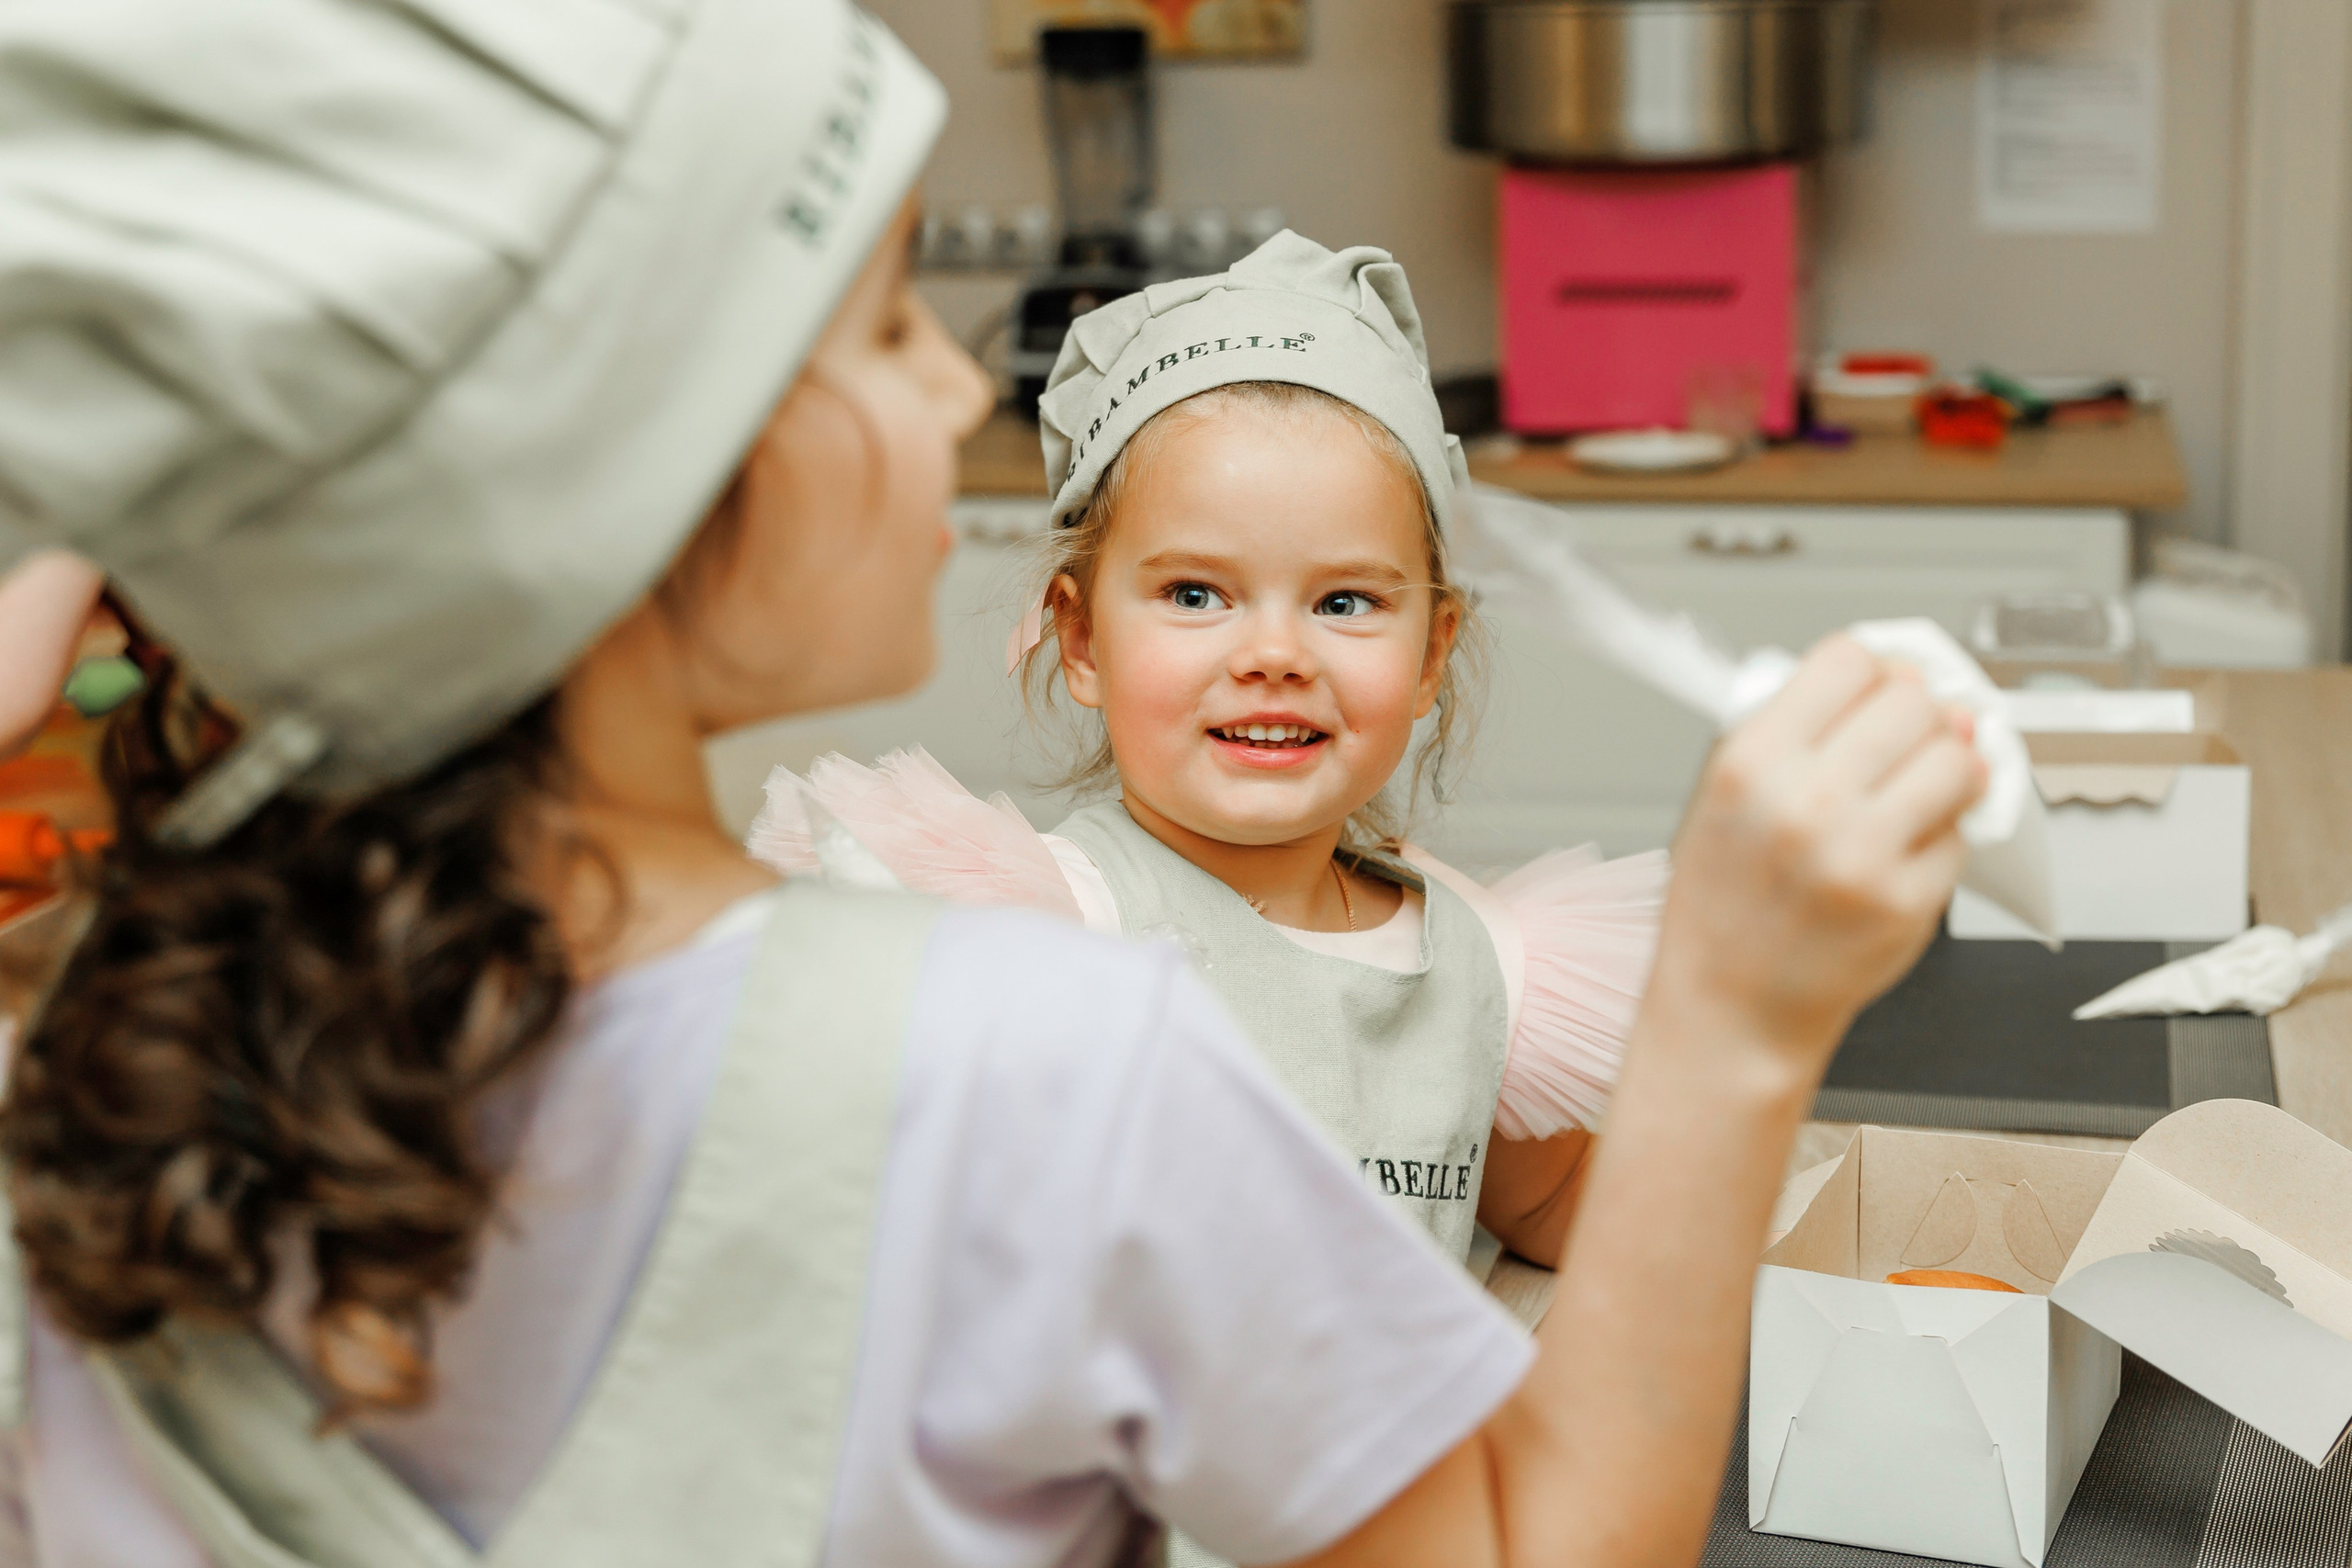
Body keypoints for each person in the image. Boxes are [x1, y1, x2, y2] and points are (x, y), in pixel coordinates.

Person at [0, 3, 1984, 1566]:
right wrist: (1735, 1012)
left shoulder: (110, 1034)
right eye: (875, 327)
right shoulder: (1037, 1065)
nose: (959, 389)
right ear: (632, 458)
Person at [752, 232, 1665, 1282]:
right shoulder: (1044, 939)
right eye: (1195, 595)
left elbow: (1559, 1208)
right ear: (1083, 636)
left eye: (1344, 602)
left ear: (1430, 654)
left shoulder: (1477, 967)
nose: (1274, 655)